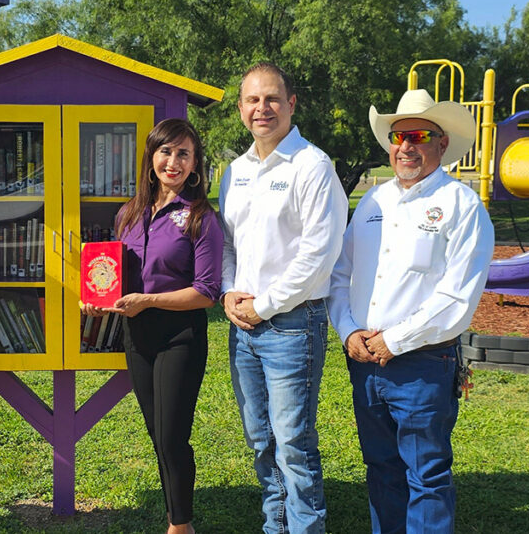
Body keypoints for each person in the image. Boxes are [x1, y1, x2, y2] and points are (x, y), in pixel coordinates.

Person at [328, 88, 493, 533]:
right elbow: (341, 276)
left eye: (418, 135)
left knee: (427, 475)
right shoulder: (372, 205)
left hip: (422, 363)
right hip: (364, 360)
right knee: (381, 468)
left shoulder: (462, 206)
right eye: (398, 137)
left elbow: (457, 298)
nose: (406, 146)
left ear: (441, 143)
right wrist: (348, 332)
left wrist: (393, 340)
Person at [218, 62, 348, 533]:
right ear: (240, 109)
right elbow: (228, 243)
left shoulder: (312, 166)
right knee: (259, 439)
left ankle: (306, 527)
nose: (262, 108)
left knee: (292, 441)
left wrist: (263, 305)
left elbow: (319, 254)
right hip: (245, 328)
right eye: (252, 100)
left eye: (272, 98)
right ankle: (276, 525)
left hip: (293, 325)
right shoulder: (235, 172)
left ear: (291, 104)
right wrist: (231, 291)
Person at [82, 118, 222, 534]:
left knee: (172, 435)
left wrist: (149, 301)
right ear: (151, 157)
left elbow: (207, 291)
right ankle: (174, 515)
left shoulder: (200, 217)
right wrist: (98, 300)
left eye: (183, 153)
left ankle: (181, 526)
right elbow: (116, 278)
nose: (173, 161)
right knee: (156, 434)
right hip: (137, 336)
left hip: (180, 334)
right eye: (166, 151)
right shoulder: (128, 215)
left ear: (195, 164)